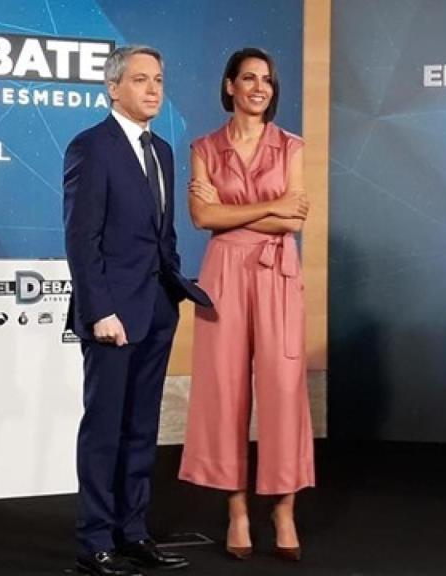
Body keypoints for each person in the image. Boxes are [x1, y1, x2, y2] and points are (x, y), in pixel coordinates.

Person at [63, 44, 212, 576]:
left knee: (142, 429)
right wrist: (99, 310)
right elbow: (82, 240)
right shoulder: (91, 147)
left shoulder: (164, 151)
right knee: (104, 429)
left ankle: (133, 533)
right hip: (111, 317)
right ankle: (95, 542)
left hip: (155, 310)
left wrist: (174, 289)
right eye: (141, 79)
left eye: (159, 80)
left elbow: (162, 235)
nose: (153, 90)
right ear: (113, 87)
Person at [178, 47, 314, 562]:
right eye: (250, 78)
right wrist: (269, 207)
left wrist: (229, 211)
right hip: (223, 275)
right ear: (230, 84)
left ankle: (283, 507)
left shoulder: (291, 146)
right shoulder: (205, 147)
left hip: (278, 272)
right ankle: (236, 509)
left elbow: (292, 222)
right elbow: (199, 218)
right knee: (224, 389)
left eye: (268, 80)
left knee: (282, 388)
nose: (260, 87)